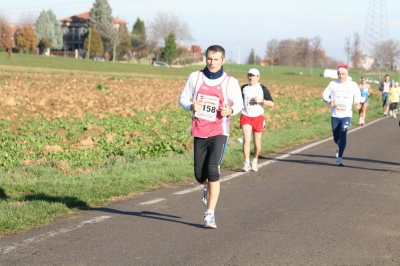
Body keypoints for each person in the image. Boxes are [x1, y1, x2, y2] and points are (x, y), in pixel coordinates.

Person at [178, 45, 243, 229]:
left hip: (219, 130)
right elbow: (182, 99)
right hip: (200, 129)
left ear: (223, 61)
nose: (212, 63)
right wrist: (191, 106)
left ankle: (210, 214)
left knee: (213, 169)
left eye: (216, 59)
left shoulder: (230, 82)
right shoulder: (195, 77)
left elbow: (238, 103)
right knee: (200, 175)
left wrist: (230, 110)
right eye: (209, 59)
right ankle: (206, 185)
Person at [322, 65, 361, 166]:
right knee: (336, 138)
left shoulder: (352, 84)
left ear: (347, 74)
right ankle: (340, 146)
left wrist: (357, 102)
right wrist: (329, 101)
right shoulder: (332, 84)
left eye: (343, 74)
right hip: (335, 114)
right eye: (339, 74)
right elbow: (324, 96)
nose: (341, 76)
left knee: (343, 133)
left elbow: (357, 94)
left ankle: (340, 158)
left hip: (346, 114)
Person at [240, 68, 274, 172]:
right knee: (246, 140)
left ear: (258, 77)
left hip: (258, 117)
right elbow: (239, 101)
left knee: (257, 142)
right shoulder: (244, 88)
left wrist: (261, 100)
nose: (251, 77)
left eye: (253, 75)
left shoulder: (262, 89)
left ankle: (254, 161)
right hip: (246, 116)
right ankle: (246, 162)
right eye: (249, 75)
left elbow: (272, 104)